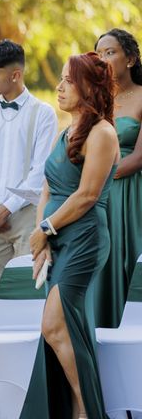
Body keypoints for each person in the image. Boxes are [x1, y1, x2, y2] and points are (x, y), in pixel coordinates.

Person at [20, 52, 119, 419]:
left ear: (89, 88)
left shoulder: (103, 132)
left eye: (68, 80)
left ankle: (86, 410)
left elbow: (88, 195)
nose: (59, 87)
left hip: (84, 239)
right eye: (60, 79)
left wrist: (47, 228)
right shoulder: (66, 132)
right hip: (57, 238)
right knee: (62, 328)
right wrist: (40, 236)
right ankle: (75, 409)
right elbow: (47, 188)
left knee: (55, 324)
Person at [0, 39, 58, 308]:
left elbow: (40, 170)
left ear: (15, 75)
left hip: (27, 217)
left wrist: (5, 209)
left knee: (28, 296)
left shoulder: (43, 114)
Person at [93, 28, 142, 327]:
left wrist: (96, 176)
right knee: (101, 263)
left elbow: (138, 158)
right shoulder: (94, 101)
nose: (103, 59)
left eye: (110, 52)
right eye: (99, 54)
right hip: (97, 197)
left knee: (132, 259)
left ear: (131, 59)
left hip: (132, 194)